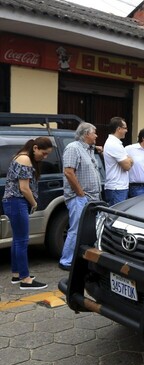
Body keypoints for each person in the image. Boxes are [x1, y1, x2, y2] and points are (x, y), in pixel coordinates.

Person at [2, 137, 53, 290]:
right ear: (35, 148)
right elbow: (24, 188)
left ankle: (17, 274)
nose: (44, 157)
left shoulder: (20, 156)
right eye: (43, 153)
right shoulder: (25, 159)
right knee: (22, 240)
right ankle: (25, 279)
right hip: (17, 202)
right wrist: (34, 203)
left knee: (18, 239)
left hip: (12, 202)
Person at [59, 122, 103, 270]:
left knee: (90, 230)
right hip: (81, 198)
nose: (96, 136)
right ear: (86, 134)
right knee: (76, 229)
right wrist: (80, 194)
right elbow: (69, 172)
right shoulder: (73, 148)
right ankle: (66, 261)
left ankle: (82, 259)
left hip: (92, 198)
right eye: (94, 133)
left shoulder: (88, 149)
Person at [103, 117, 133, 205]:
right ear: (118, 129)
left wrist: (129, 160)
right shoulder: (114, 144)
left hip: (119, 187)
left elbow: (128, 161)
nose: (126, 131)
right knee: (116, 216)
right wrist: (130, 160)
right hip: (117, 188)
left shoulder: (116, 143)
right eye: (125, 128)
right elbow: (127, 166)